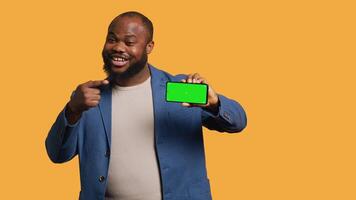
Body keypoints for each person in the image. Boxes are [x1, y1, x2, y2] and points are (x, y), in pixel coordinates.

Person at [45, 11, 247, 200]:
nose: (118, 47)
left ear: (149, 47)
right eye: (112, 39)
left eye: (129, 42)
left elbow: (238, 122)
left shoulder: (180, 90)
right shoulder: (87, 97)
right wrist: (72, 110)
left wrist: (215, 104)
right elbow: (57, 154)